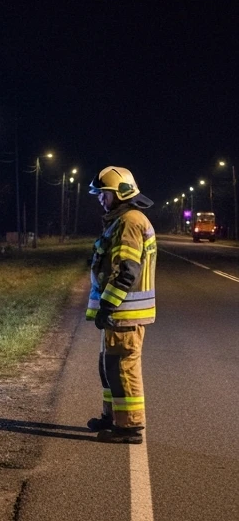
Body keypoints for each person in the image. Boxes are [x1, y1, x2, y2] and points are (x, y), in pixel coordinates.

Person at [86, 166, 157, 444]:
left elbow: (127, 270)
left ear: (120, 194)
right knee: (109, 366)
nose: (100, 199)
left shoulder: (130, 221)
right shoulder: (121, 220)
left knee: (122, 368)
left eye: (104, 194)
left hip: (124, 312)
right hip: (119, 313)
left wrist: (107, 306)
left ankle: (129, 427)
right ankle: (112, 417)